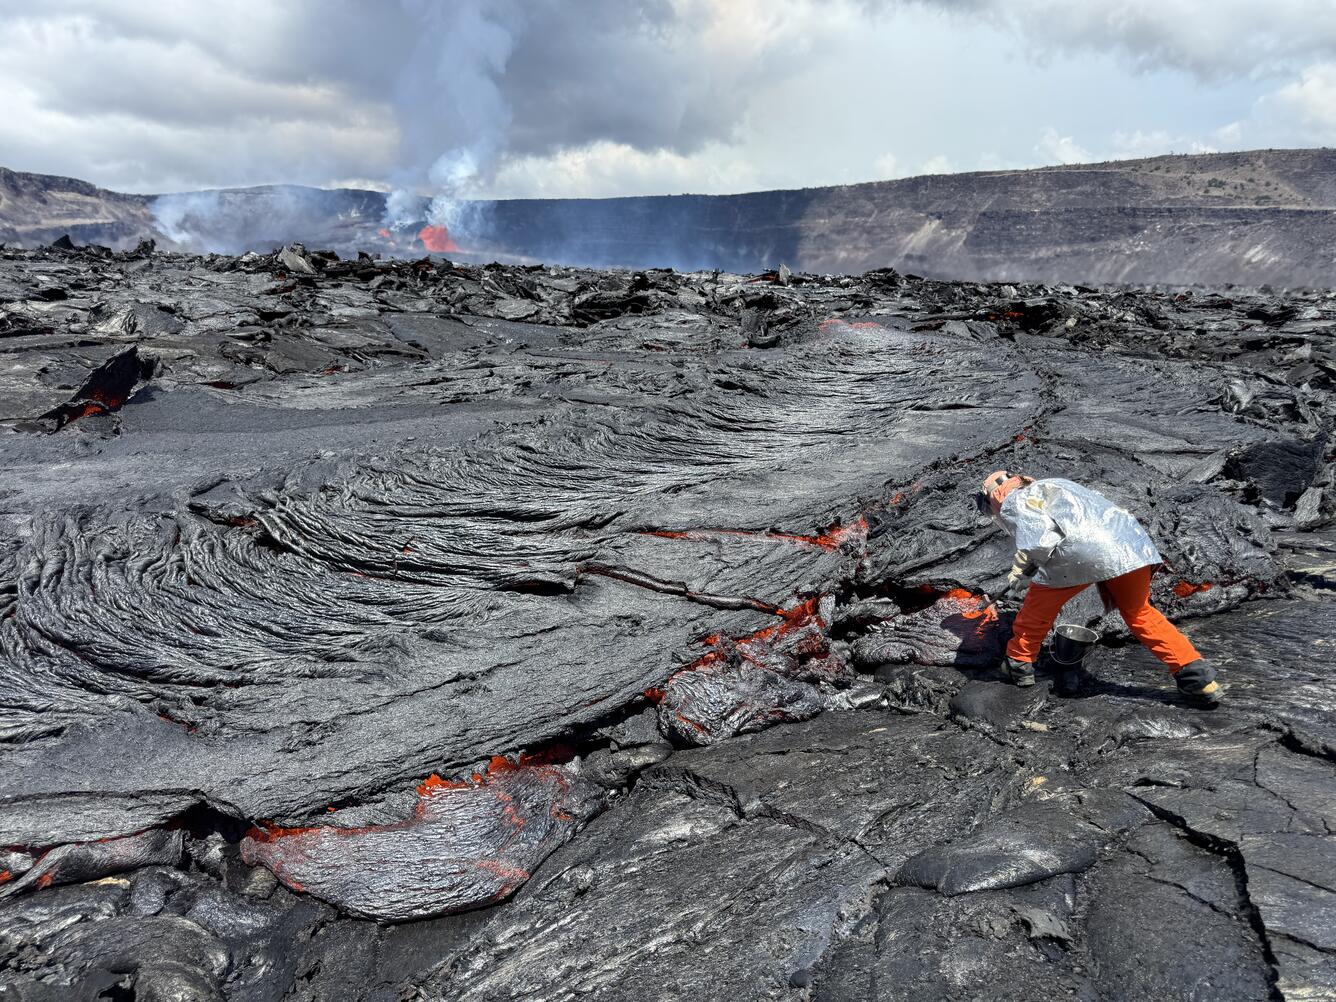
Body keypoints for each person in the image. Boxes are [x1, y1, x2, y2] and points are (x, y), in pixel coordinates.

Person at [975, 470, 1221, 708]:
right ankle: (1197, 678)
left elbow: (1042, 543)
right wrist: (1026, 568)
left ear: (993, 496)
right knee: (1140, 613)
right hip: (1129, 546)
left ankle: (1019, 664)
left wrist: (1026, 573)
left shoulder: (1013, 501)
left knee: (1035, 612)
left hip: (1080, 553)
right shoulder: (1053, 485)